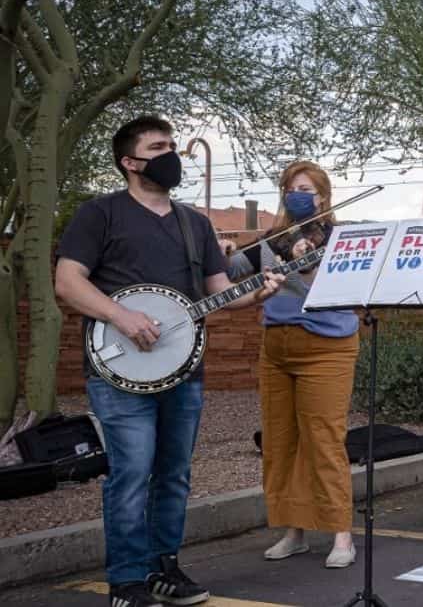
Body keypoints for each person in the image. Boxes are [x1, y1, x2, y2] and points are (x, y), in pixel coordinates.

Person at [55, 116, 283, 607]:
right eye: (159, 147)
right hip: (119, 372)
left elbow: (219, 294)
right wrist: (121, 315)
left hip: (184, 371)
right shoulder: (100, 214)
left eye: (173, 145)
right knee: (132, 472)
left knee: (174, 474)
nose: (171, 154)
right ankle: (127, 581)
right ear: (130, 162)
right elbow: (69, 282)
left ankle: (164, 569)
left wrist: (258, 292)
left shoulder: (193, 224)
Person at [222, 161, 360, 569]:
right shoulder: (272, 239)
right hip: (277, 345)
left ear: (322, 195)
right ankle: (293, 530)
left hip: (327, 345)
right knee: (281, 442)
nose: (296, 193)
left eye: (305, 188)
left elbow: (336, 285)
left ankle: (341, 533)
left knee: (324, 439)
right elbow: (233, 273)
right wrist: (226, 253)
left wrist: (310, 259)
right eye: (290, 187)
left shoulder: (338, 238)